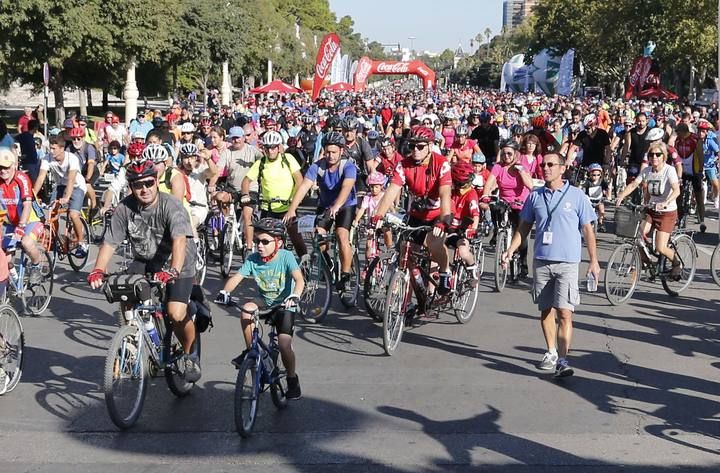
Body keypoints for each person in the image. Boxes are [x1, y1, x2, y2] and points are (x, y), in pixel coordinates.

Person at [88, 158, 201, 382]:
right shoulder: (124, 208)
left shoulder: (171, 205)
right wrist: (98, 270)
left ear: (157, 181)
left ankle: (190, 355)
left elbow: (179, 239)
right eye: (138, 185)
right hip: (147, 259)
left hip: (178, 262)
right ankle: (130, 337)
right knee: (122, 287)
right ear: (131, 187)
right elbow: (110, 243)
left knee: (175, 313)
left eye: (148, 183)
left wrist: (173, 271)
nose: (144, 189)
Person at [502, 152, 600, 378]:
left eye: (550, 165)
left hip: (568, 262)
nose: (545, 168)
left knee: (565, 312)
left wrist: (594, 261)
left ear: (562, 168)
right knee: (545, 309)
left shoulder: (577, 196)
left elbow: (588, 230)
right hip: (542, 261)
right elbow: (524, 227)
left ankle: (563, 361)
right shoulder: (535, 196)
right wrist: (510, 250)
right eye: (543, 165)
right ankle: (551, 352)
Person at [214, 218, 303, 400]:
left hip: (284, 303)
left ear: (278, 242)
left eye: (264, 241)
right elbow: (237, 278)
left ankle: (292, 379)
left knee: (284, 345)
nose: (259, 246)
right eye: (256, 241)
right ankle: (251, 351)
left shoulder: (286, 256)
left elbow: (299, 280)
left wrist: (294, 296)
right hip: (264, 300)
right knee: (246, 309)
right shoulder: (253, 260)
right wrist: (224, 291)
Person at [372, 126, 454, 295]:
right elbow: (392, 191)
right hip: (416, 213)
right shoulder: (403, 165)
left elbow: (445, 193)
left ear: (430, 146)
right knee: (406, 252)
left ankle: (445, 272)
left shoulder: (441, 163)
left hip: (438, 213)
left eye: (420, 146)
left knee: (433, 244)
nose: (415, 150)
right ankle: (407, 300)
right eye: (412, 146)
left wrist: (443, 220)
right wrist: (378, 214)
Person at [284, 131, 358, 292]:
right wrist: (292, 209)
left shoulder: (348, 166)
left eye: (334, 152)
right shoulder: (317, 167)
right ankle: (327, 262)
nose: (330, 156)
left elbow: (347, 187)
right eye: (327, 152)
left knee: (341, 234)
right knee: (318, 233)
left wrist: (337, 206)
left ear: (341, 151)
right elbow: (304, 186)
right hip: (325, 205)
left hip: (346, 205)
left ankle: (345, 275)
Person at [616, 142, 681, 277]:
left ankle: (676, 263)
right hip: (652, 210)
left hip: (667, 213)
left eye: (658, 154)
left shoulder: (669, 170)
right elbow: (634, 184)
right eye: (651, 155)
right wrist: (621, 195)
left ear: (664, 156)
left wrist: (665, 203)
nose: (654, 157)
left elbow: (676, 191)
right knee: (638, 236)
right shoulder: (647, 171)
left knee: (660, 247)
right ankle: (648, 262)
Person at [241, 131, 306, 257]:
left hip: (287, 207)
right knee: (266, 241)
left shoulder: (288, 159)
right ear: (263, 148)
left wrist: (294, 200)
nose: (270, 151)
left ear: (278, 147)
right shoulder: (261, 163)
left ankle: (305, 265)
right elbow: (246, 181)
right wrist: (245, 194)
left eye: (273, 148)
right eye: (267, 148)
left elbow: (299, 180)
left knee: (296, 238)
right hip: (268, 208)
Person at [481, 140, 534, 277]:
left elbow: (530, 185)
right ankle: (498, 234)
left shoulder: (521, 166)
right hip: (504, 200)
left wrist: (520, 170)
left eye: (509, 154)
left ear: (516, 154)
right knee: (494, 208)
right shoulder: (498, 167)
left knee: (519, 231)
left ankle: (523, 262)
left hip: (519, 202)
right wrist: (485, 196)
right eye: (503, 153)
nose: (506, 157)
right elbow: (490, 182)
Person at [34, 136, 88, 258]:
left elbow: (71, 179)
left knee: (74, 214)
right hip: (60, 186)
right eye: (50, 148)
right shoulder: (47, 159)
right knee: (52, 212)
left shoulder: (72, 158)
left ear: (62, 148)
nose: (51, 151)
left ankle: (81, 242)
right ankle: (54, 239)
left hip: (77, 186)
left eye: (53, 149)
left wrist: (67, 197)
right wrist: (33, 195)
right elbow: (41, 177)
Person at [0, 149, 45, 284]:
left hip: (31, 220)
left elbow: (27, 205)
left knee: (26, 242)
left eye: (6, 167)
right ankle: (13, 281)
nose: (3, 171)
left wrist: (21, 226)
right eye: (0, 167)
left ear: (14, 165)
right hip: (11, 222)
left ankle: (36, 266)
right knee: (4, 260)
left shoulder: (22, 179)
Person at [447, 162, 480, 281]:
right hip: (449, 226)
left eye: (465, 184)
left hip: (464, 228)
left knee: (463, 252)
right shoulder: (451, 191)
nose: (462, 187)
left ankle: (472, 268)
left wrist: (473, 229)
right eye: (459, 184)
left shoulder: (471, 194)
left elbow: (475, 214)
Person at [352, 172, 393, 263]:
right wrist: (356, 220)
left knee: (387, 232)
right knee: (369, 244)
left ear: (381, 186)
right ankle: (368, 265)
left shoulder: (384, 196)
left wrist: (393, 213)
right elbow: (362, 209)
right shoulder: (368, 197)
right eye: (371, 187)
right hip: (372, 222)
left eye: (376, 187)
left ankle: (390, 249)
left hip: (383, 221)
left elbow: (391, 208)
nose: (374, 189)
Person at [698, 120, 720, 209]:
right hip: (700, 165)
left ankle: (716, 198)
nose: (700, 133)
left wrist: (717, 161)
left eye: (703, 131)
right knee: (701, 184)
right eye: (699, 131)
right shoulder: (696, 140)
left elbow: (718, 152)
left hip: (710, 164)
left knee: (715, 184)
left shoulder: (710, 141)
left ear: (706, 132)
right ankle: (701, 201)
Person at [583, 163, 609, 231]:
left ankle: (600, 223)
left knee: (601, 209)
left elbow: (607, 188)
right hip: (590, 201)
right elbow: (583, 189)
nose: (596, 177)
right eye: (593, 175)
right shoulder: (588, 182)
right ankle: (589, 222)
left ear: (600, 175)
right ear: (590, 174)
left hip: (599, 200)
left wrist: (607, 194)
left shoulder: (601, 182)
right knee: (588, 211)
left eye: (598, 175)